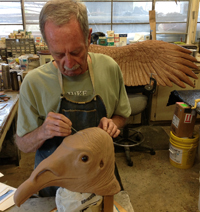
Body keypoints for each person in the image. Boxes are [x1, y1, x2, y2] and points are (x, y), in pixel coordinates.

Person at [15, 0, 131, 197]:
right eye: (58, 54)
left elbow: (122, 115)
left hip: (98, 178)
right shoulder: (34, 82)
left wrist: (113, 124)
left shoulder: (109, 68)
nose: (69, 63)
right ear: (47, 44)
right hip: (53, 183)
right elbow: (23, 144)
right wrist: (44, 131)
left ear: (88, 37)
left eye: (76, 52)